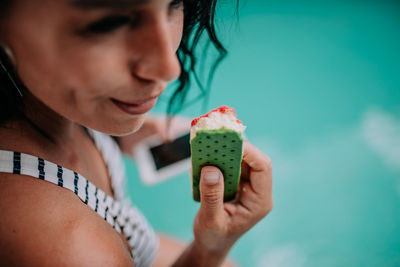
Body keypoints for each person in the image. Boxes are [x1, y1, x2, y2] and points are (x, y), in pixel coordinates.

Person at [0, 0, 273, 266]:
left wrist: (116, 136)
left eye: (174, 4)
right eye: (109, 23)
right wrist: (211, 249)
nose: (169, 68)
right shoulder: (71, 250)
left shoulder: (51, 104)